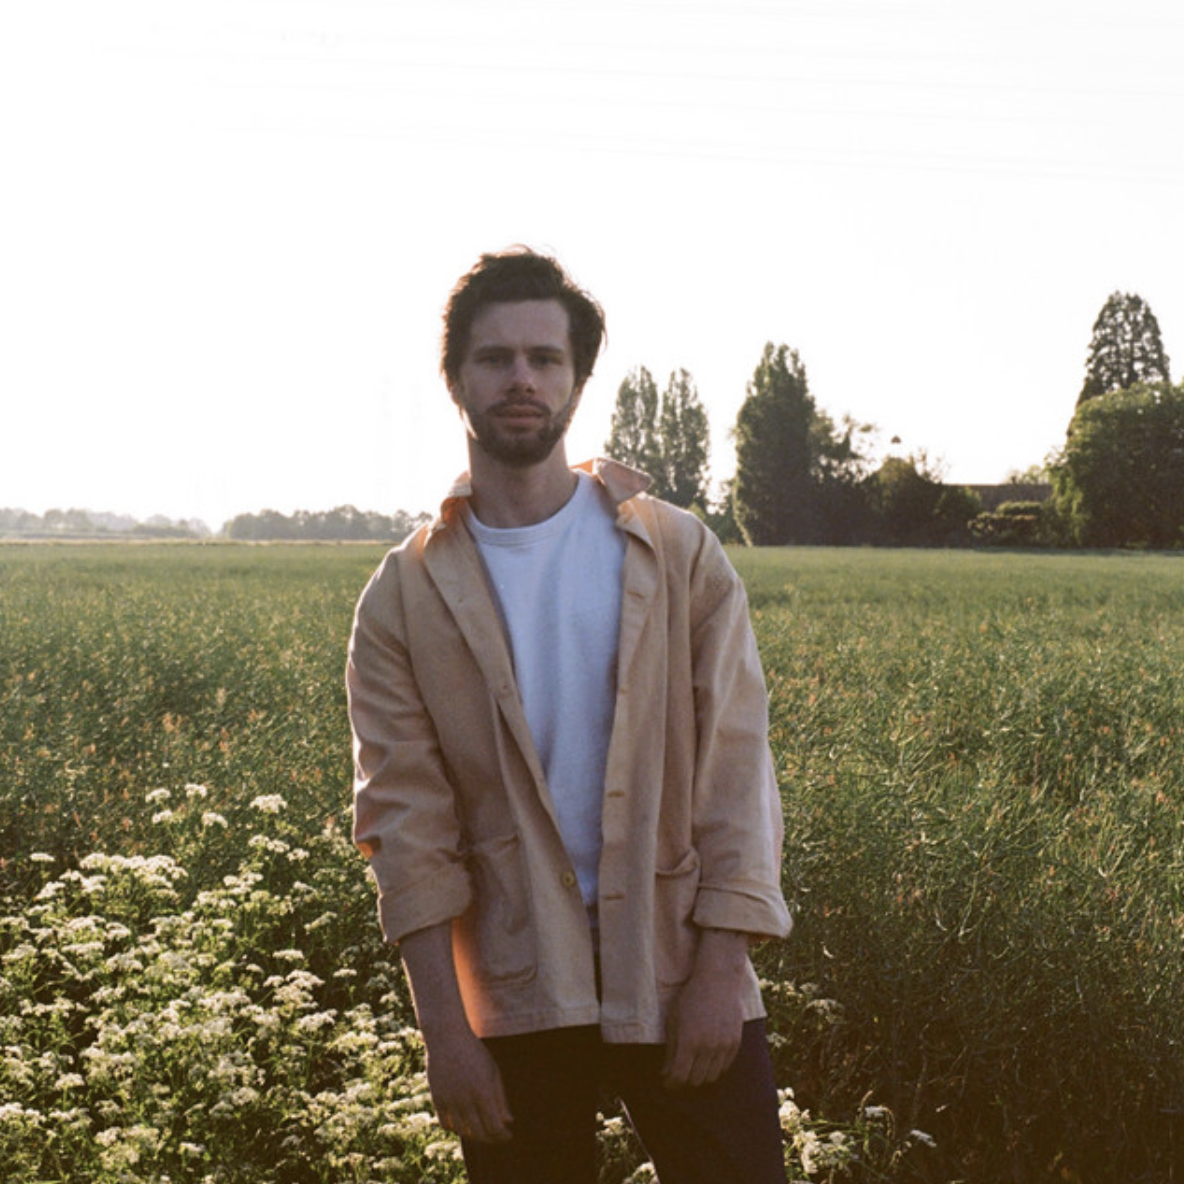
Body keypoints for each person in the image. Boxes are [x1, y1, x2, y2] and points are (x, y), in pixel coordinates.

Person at [346, 247, 792, 1184]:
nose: (521, 379)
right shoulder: (405, 594)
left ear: (579, 382)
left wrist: (721, 974)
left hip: (680, 976)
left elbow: (736, 773)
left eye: (545, 359)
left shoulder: (677, 554)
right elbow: (404, 827)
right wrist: (445, 1036)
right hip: (512, 996)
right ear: (455, 379)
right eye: (495, 357)